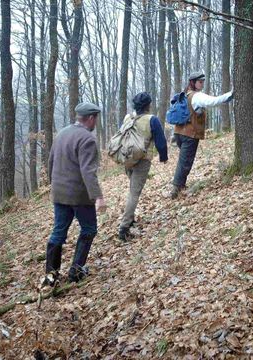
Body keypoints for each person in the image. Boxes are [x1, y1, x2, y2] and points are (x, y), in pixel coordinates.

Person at [44, 102, 107, 285]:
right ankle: (76, 271)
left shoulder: (62, 133)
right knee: (89, 229)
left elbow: (50, 162)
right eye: (96, 118)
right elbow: (88, 172)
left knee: (58, 233)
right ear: (91, 118)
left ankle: (51, 277)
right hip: (79, 196)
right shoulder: (88, 139)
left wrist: (53, 185)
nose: (96, 121)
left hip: (59, 193)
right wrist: (98, 197)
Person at [170, 71, 233, 199]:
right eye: (200, 82)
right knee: (185, 162)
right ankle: (176, 189)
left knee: (183, 160)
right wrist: (231, 94)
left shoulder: (184, 95)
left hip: (178, 132)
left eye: (203, 81)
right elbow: (214, 101)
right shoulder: (197, 96)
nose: (202, 84)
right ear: (193, 82)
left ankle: (179, 185)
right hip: (190, 134)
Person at [119, 92, 168, 241]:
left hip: (128, 158)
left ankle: (131, 218)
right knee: (134, 193)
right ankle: (124, 227)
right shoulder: (152, 120)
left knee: (132, 189)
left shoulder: (128, 118)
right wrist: (163, 157)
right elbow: (161, 141)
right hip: (142, 159)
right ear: (148, 105)